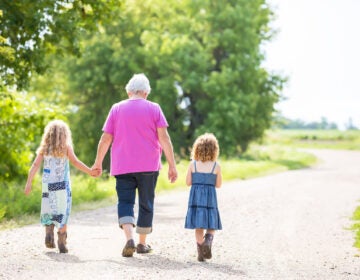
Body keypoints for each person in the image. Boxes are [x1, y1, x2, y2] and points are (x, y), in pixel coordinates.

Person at [92, 73, 178, 257]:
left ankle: (129, 238)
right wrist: (172, 165)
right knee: (146, 203)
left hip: (122, 165)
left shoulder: (116, 108)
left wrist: (98, 162)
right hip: (149, 166)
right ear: (146, 92)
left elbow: (106, 138)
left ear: (129, 91)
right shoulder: (154, 108)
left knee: (125, 202)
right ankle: (141, 244)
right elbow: (164, 138)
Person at [24, 120, 97, 253]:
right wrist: (90, 171)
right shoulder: (66, 148)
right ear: (65, 134)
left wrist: (29, 183)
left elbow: (35, 166)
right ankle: (62, 241)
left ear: (48, 134)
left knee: (49, 209)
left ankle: (49, 233)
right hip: (62, 187)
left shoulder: (44, 149)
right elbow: (75, 162)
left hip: (48, 186)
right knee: (62, 210)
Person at [184, 133, 222, 262]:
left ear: (197, 148)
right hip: (210, 198)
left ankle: (201, 253)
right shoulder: (216, 166)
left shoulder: (193, 165)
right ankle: (208, 240)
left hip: (196, 198)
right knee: (212, 222)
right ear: (214, 150)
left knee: (198, 225)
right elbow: (218, 185)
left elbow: (188, 182)